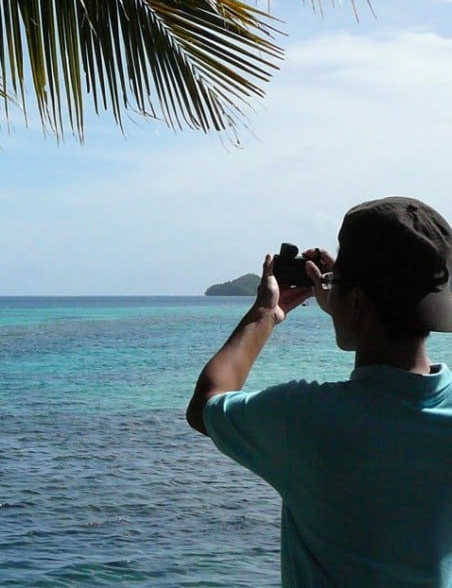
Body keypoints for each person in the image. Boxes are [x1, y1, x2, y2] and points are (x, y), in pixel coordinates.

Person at [186, 196, 452, 587]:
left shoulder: (306, 417)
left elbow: (206, 404)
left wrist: (264, 315)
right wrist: (349, 301)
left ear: (358, 302)